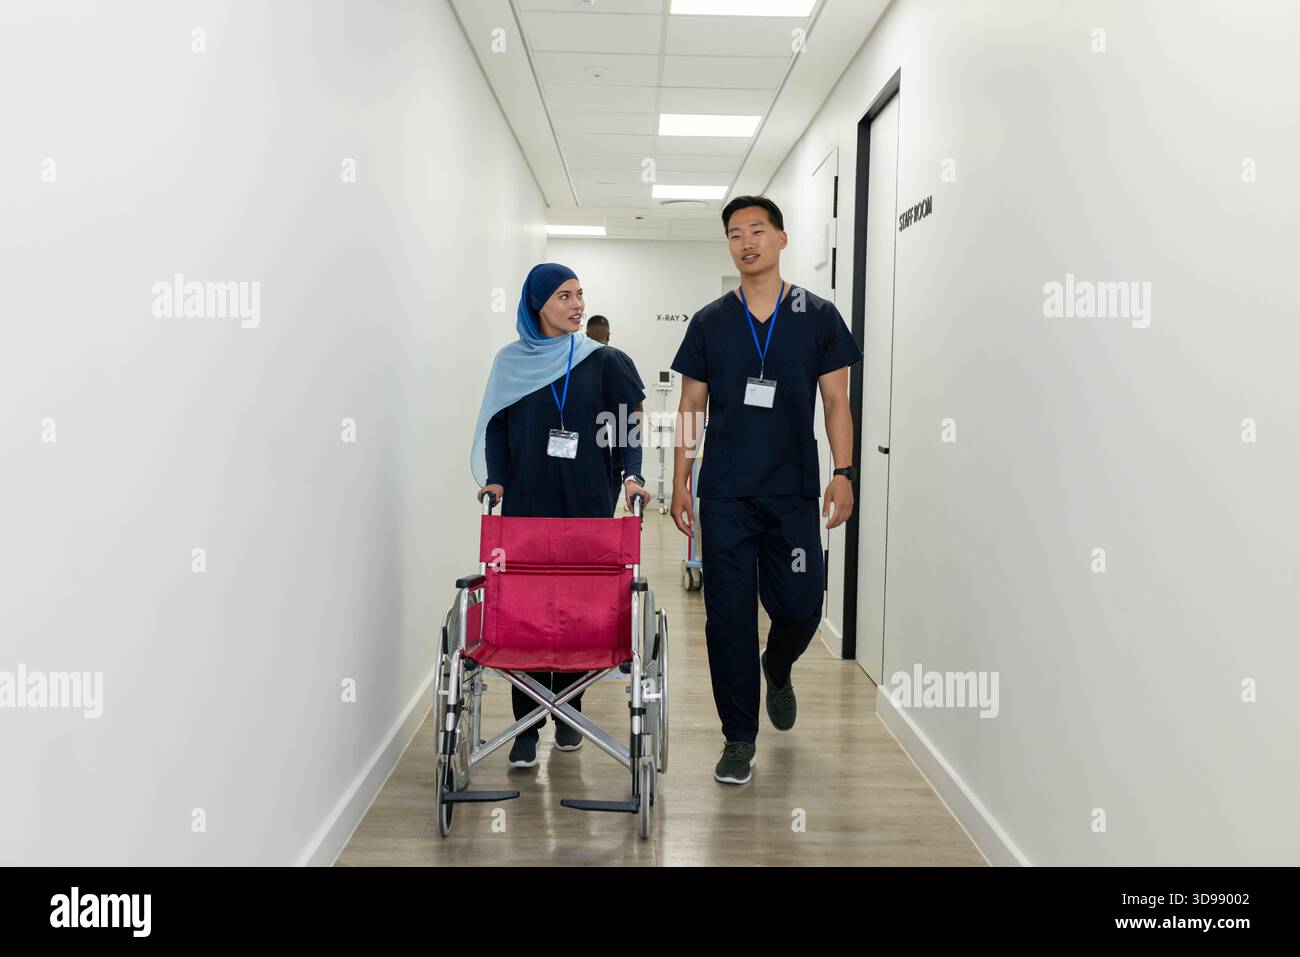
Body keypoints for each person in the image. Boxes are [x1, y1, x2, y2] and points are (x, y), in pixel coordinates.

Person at [669, 196, 862, 786]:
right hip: (726, 493)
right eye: (734, 234)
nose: (746, 241)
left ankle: (777, 667)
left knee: (802, 604)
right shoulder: (709, 321)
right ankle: (738, 737)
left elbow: (836, 402)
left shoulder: (818, 316)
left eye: (757, 230)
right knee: (727, 617)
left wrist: (844, 472)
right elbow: (690, 406)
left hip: (792, 492)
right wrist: (681, 477)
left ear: (782, 239)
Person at [471, 264, 648, 769]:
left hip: (589, 502)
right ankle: (527, 726)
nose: (577, 305)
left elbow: (628, 424)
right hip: (526, 503)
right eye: (564, 296)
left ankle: (570, 709)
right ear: (536, 305)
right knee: (523, 612)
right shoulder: (511, 363)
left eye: (580, 295)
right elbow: (496, 428)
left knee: (579, 607)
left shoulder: (606, 361)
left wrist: (632, 475)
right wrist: (497, 479)